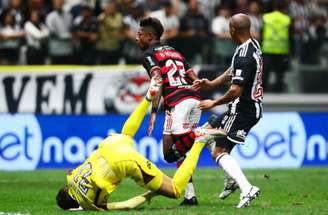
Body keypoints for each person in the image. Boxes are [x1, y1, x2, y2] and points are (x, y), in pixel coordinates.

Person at [56, 80, 220, 211]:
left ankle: (199, 140)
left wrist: (149, 195)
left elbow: (127, 205)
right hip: (108, 145)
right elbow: (72, 171)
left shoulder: (87, 204)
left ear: (75, 205)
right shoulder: (72, 177)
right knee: (126, 134)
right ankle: (148, 97)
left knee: (175, 190)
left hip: (121, 162)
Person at [193, 13, 262, 208]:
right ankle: (231, 177)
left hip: (242, 109)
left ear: (232, 30)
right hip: (245, 107)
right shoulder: (252, 45)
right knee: (204, 131)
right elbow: (233, 70)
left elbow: (235, 90)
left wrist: (212, 103)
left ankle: (247, 188)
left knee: (219, 151)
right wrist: (213, 83)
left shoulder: (243, 55)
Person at [136, 17, 203, 206]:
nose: (136, 38)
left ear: (150, 36)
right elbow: (193, 76)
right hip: (191, 98)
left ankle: (206, 135)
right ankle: (190, 196)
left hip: (178, 101)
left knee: (187, 141)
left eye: (139, 34)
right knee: (170, 153)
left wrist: (153, 112)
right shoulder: (174, 51)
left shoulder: (148, 54)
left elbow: (157, 80)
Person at [261, 0, 291, 93]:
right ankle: (279, 93)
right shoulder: (287, 19)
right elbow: (291, 35)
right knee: (280, 74)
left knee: (265, 74)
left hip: (267, 49)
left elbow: (261, 32)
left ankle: (261, 94)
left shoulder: (265, 17)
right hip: (282, 50)